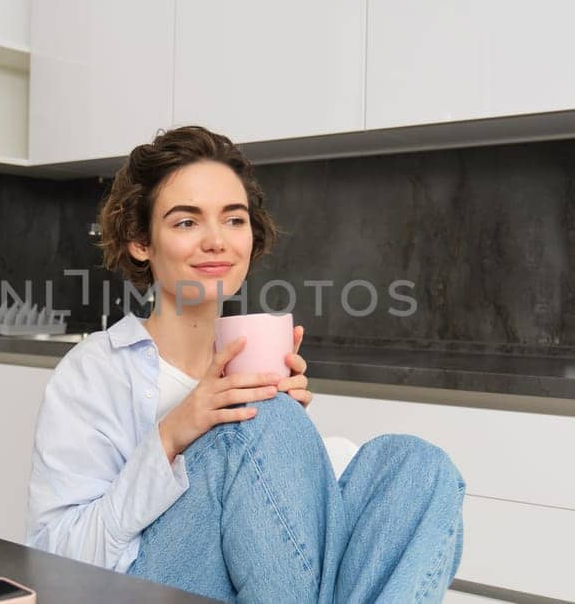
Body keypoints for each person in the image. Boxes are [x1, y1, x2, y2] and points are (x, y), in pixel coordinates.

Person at [26, 126, 465, 603]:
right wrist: (172, 437)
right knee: (261, 422)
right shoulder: (94, 371)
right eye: (186, 222)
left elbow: (282, 547)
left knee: (418, 467)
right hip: (141, 589)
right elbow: (56, 562)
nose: (217, 241)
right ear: (140, 241)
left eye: (233, 220)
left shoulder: (256, 363)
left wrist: (289, 444)